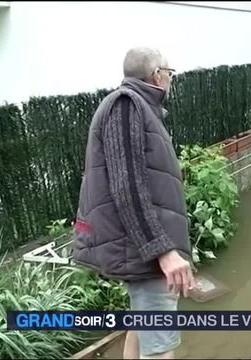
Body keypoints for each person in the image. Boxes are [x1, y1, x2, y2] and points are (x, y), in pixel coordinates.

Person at [71, 47, 195, 359]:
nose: (171, 79)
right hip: (148, 254)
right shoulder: (126, 105)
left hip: (143, 250)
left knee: (141, 331)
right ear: (157, 75)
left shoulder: (137, 107)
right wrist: (163, 252)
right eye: (170, 72)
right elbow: (127, 186)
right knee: (160, 348)